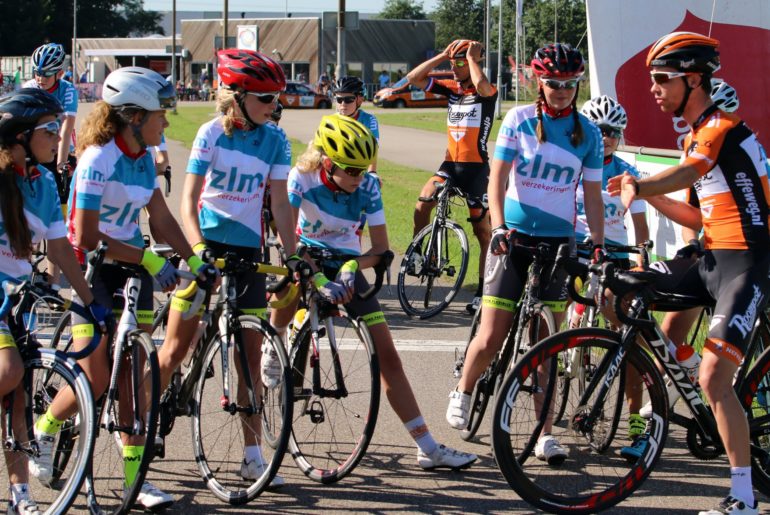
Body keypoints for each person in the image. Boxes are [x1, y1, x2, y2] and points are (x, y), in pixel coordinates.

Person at [28, 67, 206, 511]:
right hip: (92, 271)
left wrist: (196, 260)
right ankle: (46, 427)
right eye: (158, 115)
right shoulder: (96, 159)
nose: (164, 122)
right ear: (131, 116)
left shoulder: (143, 157)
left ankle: (135, 480)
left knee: (132, 379)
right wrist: (147, 257)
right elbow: (85, 236)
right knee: (100, 376)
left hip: (132, 270)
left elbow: (161, 218)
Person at [608, 31, 768, 515]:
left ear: (692, 79)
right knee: (625, 291)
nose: (654, 89)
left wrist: (641, 180)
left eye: (662, 80)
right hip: (711, 256)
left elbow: (685, 174)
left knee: (716, 379)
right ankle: (689, 370)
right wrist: (646, 194)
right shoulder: (697, 135)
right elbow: (699, 217)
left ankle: (742, 496)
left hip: (748, 262)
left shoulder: (720, 128)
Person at [279, 114, 477, 472]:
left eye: (361, 170)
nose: (358, 178)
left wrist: (352, 266)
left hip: (347, 265)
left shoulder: (367, 185)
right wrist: (315, 277)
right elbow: (288, 243)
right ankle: (276, 342)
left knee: (388, 355)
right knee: (286, 291)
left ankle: (427, 447)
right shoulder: (302, 178)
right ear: (327, 162)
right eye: (349, 171)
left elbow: (381, 248)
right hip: (306, 257)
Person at [446, 43, 604, 464]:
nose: (562, 91)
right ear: (539, 82)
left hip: (558, 242)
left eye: (570, 85)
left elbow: (591, 198)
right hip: (512, 238)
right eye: (554, 84)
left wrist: (599, 245)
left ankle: (544, 433)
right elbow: (496, 180)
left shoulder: (588, 134)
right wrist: (497, 227)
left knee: (546, 344)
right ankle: (464, 388)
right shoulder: (517, 119)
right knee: (494, 334)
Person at [158, 48, 297, 487]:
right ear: (236, 97)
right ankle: (139, 422)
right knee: (175, 349)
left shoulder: (275, 139)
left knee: (249, 360)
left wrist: (291, 256)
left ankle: (253, 455)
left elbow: (280, 203)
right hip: (206, 245)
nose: (274, 105)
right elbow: (188, 197)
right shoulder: (210, 133)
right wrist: (196, 249)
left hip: (247, 254)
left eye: (276, 97)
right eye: (265, 98)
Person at [0, 88, 109, 515]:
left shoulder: (42, 180)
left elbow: (60, 247)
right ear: (20, 136)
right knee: (9, 372)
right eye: (48, 129)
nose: (57, 136)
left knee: (20, 398)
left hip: (19, 297)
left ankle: (20, 496)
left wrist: (86, 302)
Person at [574, 94, 651, 461]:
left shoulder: (625, 173)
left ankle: (637, 423)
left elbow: (640, 227)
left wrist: (642, 257)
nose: (605, 137)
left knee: (627, 334)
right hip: (577, 251)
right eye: (598, 130)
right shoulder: (573, 164)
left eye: (612, 132)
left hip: (615, 257)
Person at [407, 39, 497, 314]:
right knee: (423, 203)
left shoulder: (486, 93)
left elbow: (482, 85)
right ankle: (418, 255)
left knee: (483, 233)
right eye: (452, 64)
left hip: (476, 170)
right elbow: (414, 78)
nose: (455, 68)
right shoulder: (452, 92)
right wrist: (441, 57)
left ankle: (483, 293)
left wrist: (472, 60)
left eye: (460, 63)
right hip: (450, 166)